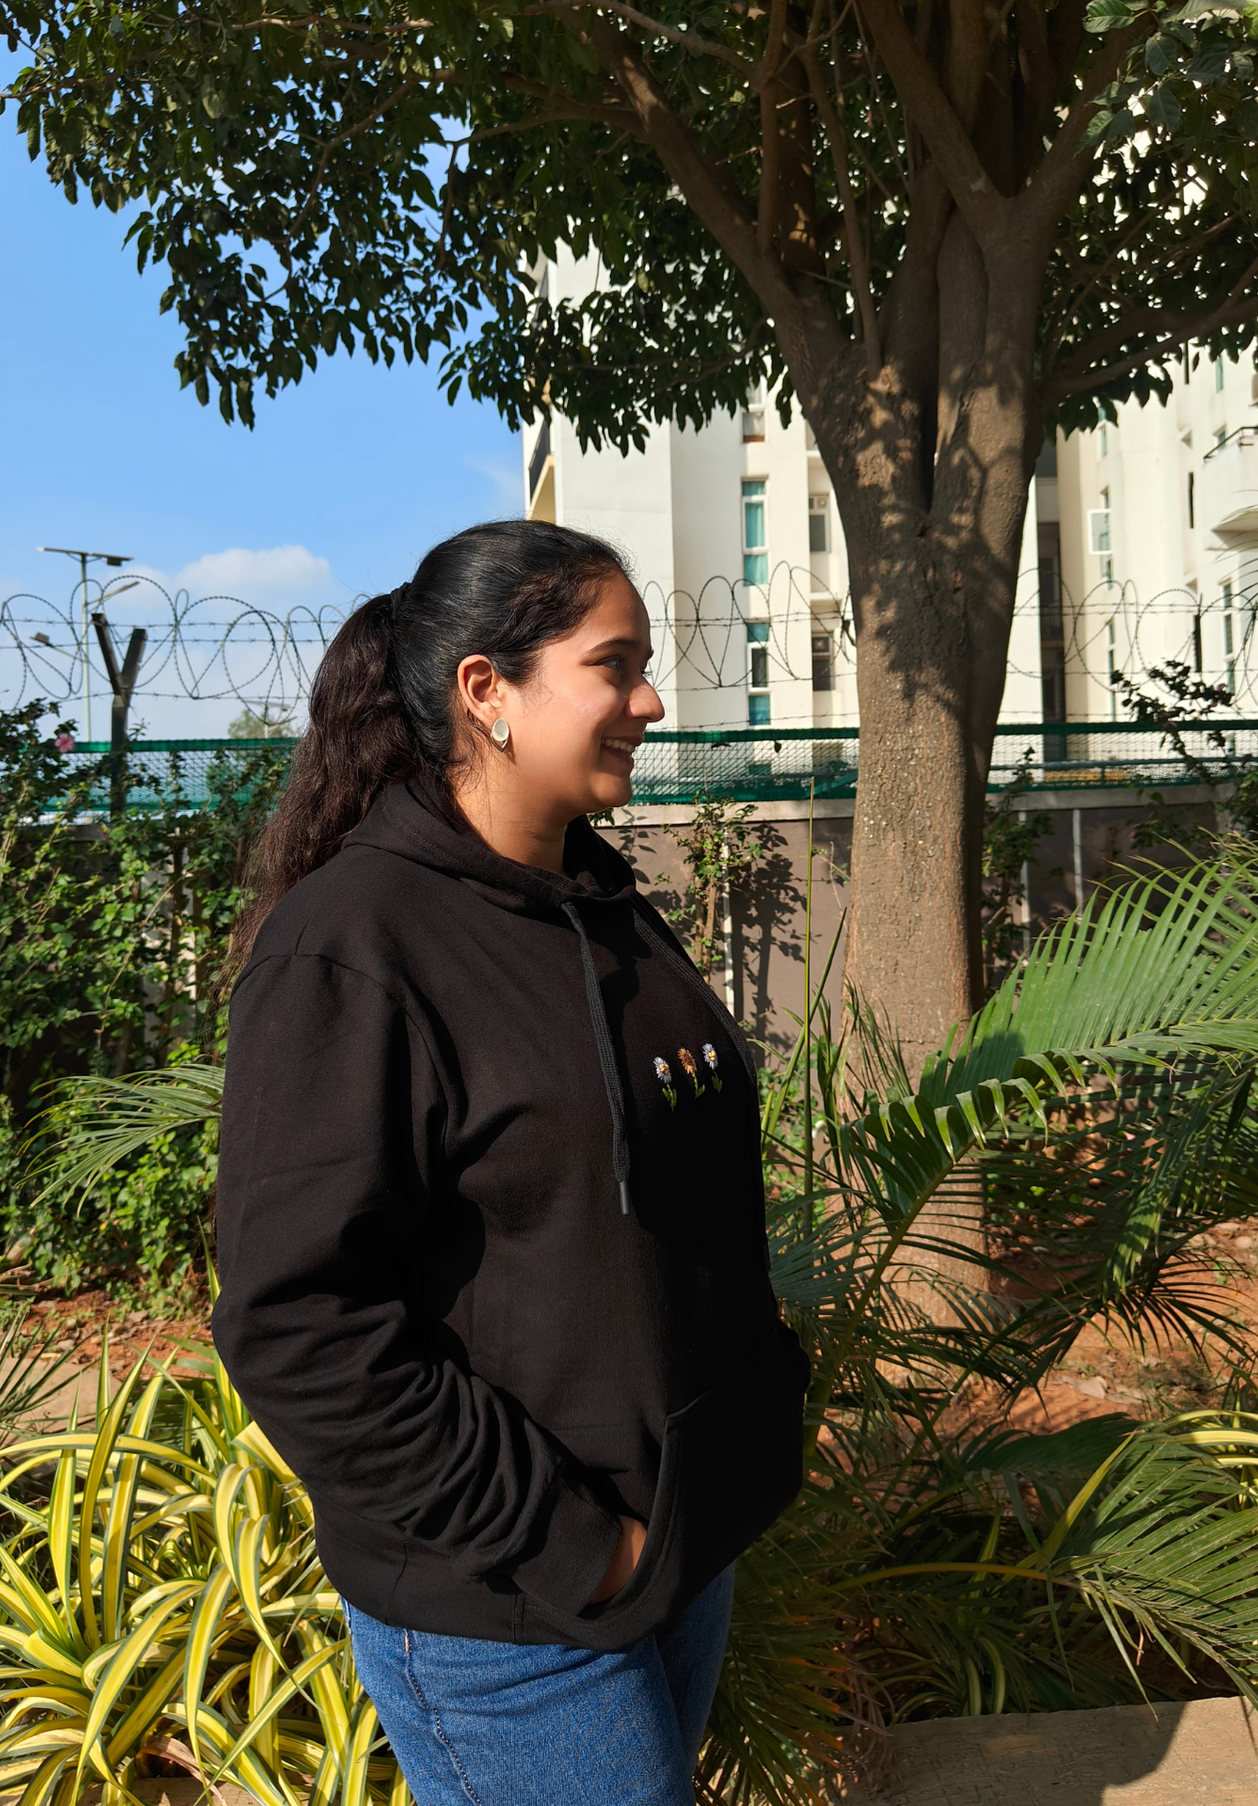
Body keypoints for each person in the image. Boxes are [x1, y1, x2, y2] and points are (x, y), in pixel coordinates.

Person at [212, 520, 810, 1805]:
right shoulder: (355, 945)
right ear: (486, 691)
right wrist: (578, 1549)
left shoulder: (597, 900)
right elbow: (298, 1324)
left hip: (673, 1555)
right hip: (511, 1612)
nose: (650, 700)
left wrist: (739, 1429)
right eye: (616, 665)